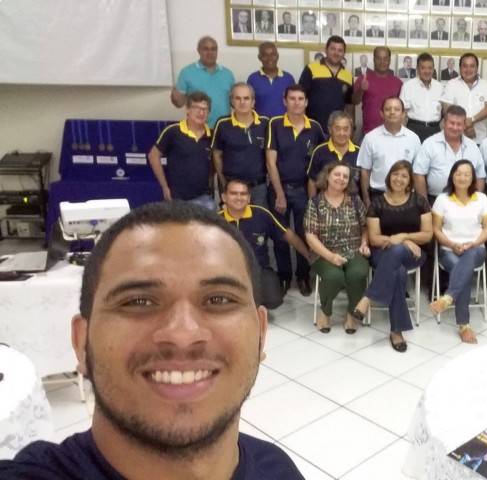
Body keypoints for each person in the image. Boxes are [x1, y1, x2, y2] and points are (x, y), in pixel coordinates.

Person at [0, 201, 304, 478]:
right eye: (138, 301)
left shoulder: (279, 470)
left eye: (219, 299)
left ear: (261, 333)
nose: (183, 335)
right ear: (81, 342)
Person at [350, 161, 433, 351]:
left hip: (414, 254)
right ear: (389, 177)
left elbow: (427, 235)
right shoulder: (377, 203)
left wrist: (404, 237)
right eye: (395, 174)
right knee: (399, 271)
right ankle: (396, 331)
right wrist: (404, 242)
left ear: (410, 180)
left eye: (404, 176)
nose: (399, 179)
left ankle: (368, 298)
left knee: (397, 252)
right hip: (382, 253)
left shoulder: (420, 201)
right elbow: (374, 238)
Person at [267, 85, 327, 296]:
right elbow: (270, 162)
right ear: (285, 101)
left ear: (306, 102)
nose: (296, 102)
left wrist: (317, 194)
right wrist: (279, 194)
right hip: (280, 189)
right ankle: (284, 276)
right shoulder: (275, 124)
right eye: (292, 98)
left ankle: (303, 276)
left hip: (304, 190)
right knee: (281, 235)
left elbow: (322, 160)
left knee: (305, 234)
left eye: (301, 99)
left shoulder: (315, 128)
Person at [219, 178, 311, 309]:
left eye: (243, 194)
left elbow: (288, 235)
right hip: (227, 272)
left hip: (259, 269)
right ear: (224, 197)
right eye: (233, 193)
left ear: (249, 198)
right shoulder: (215, 221)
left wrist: (309, 256)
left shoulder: (261, 214)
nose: (239, 198)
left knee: (274, 300)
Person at [430, 160, 487, 344]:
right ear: (452, 176)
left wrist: (474, 243)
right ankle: (464, 325)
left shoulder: (481, 198)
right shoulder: (442, 199)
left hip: (476, 249)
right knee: (462, 269)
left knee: (467, 261)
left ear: (473, 178)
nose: (462, 177)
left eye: (467, 174)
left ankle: (448, 297)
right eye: (458, 173)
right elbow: (436, 229)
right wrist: (451, 243)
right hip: (449, 249)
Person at [305, 163, 370, 333]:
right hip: (324, 252)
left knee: (358, 273)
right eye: (337, 174)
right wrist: (330, 256)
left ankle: (351, 314)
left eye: (345, 176)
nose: (341, 179)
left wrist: (364, 244)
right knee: (334, 276)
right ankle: (326, 312)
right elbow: (310, 236)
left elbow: (365, 227)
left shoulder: (355, 200)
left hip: (353, 250)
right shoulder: (315, 202)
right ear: (327, 176)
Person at [148, 92, 215, 210]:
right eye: (196, 108)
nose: (201, 113)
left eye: (205, 109)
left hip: (204, 199)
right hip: (177, 199)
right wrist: (164, 187)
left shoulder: (212, 135)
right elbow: (153, 155)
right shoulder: (173, 131)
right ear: (187, 109)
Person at [212, 83, 270, 208]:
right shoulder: (222, 124)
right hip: (232, 187)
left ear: (253, 102)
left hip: (259, 188)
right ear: (232, 101)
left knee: (258, 219)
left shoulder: (265, 123)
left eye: (246, 98)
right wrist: (224, 183)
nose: (242, 102)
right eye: (238, 98)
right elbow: (217, 156)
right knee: (231, 220)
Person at [414, 105, 487, 202]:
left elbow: (480, 176)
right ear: (444, 122)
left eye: (459, 124)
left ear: (464, 125)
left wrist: (475, 203)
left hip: (466, 202)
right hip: (435, 200)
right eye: (452, 123)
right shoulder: (429, 144)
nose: (455, 127)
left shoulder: (472, 147)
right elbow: (418, 174)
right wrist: (424, 205)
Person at [358, 97, 422, 203]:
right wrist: (366, 198)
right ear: (381, 114)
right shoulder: (370, 138)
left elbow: (417, 172)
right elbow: (365, 171)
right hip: (378, 195)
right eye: (388, 109)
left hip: (406, 195)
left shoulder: (413, 138)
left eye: (397, 109)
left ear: (403, 114)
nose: (392, 112)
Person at [172, 36, 235, 128]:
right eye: (206, 49)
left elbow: (233, 102)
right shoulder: (186, 72)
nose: (210, 53)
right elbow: (179, 104)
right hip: (198, 129)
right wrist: (175, 98)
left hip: (224, 128)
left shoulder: (228, 74)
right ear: (199, 50)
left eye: (213, 49)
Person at [298, 36, 354, 133]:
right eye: (333, 49)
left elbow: (349, 104)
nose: (336, 53)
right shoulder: (311, 68)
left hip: (337, 130)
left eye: (340, 50)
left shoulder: (348, 74)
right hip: (312, 128)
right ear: (326, 50)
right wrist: (300, 123)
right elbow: (300, 97)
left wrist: (351, 128)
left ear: (344, 53)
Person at [441, 53, 487, 144]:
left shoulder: (485, 84)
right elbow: (447, 109)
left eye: (472, 66)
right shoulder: (451, 84)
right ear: (460, 68)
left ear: (477, 68)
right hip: (456, 138)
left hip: (479, 138)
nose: (468, 69)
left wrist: (472, 120)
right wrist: (466, 125)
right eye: (465, 66)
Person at [307, 111, 360, 198]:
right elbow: (312, 181)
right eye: (337, 128)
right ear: (330, 130)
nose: (342, 133)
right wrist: (313, 203)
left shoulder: (359, 152)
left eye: (346, 129)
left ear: (351, 131)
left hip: (352, 203)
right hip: (324, 203)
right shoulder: (319, 151)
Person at [353, 47, 403, 136]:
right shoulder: (363, 78)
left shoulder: (398, 82)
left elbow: (402, 110)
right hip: (368, 133)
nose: (382, 62)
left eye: (385, 59)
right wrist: (361, 89)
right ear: (374, 60)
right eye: (378, 58)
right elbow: (354, 101)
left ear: (389, 60)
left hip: (392, 133)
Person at [400, 53, 445, 141]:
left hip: (435, 129)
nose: (427, 71)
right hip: (414, 129)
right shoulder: (408, 86)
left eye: (430, 68)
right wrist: (402, 135)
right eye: (423, 68)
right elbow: (403, 114)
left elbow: (445, 113)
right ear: (417, 69)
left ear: (433, 69)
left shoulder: (440, 87)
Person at [247, 43, 295, 119]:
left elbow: (295, 104)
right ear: (259, 57)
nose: (270, 58)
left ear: (278, 56)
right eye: (265, 55)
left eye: (273, 54)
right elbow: (248, 105)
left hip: (285, 124)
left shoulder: (288, 78)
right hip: (261, 124)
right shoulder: (253, 79)